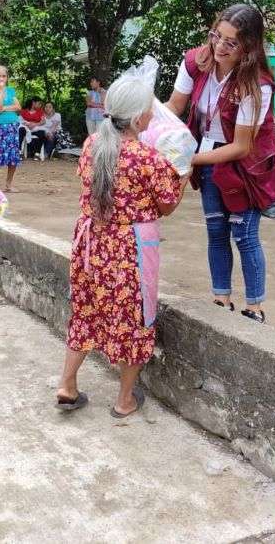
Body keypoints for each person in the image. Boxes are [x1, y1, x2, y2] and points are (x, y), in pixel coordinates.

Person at [56, 72, 189, 418]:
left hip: (90, 246)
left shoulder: (90, 147)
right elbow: (167, 205)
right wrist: (184, 172)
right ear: (137, 118)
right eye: (148, 109)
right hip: (129, 250)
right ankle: (124, 399)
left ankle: (67, 384)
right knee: (134, 318)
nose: (151, 114)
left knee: (85, 311)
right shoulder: (147, 158)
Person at [165, 4, 275, 324]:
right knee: (216, 230)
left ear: (249, 47)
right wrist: (140, 120)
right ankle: (221, 300)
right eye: (217, 36)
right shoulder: (197, 61)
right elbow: (174, 105)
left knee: (244, 234)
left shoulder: (257, 84)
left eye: (231, 42)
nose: (219, 46)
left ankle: (254, 307)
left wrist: (189, 159)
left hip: (246, 167)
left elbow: (242, 147)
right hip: (208, 158)